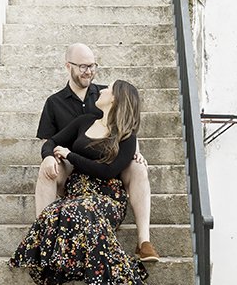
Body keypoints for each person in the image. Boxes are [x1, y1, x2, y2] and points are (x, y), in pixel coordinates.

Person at [11, 80, 152, 285]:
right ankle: (111, 276)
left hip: (107, 197)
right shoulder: (85, 122)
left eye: (108, 89)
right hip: (76, 194)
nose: (102, 90)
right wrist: (48, 156)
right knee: (61, 210)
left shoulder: (126, 137)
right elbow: (51, 142)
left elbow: (107, 171)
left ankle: (122, 275)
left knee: (85, 209)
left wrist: (70, 155)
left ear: (115, 99)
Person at [36, 43, 158, 262]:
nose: (89, 71)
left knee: (138, 167)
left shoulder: (107, 94)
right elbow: (50, 141)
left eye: (92, 66)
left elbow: (125, 126)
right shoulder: (54, 103)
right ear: (68, 66)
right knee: (47, 169)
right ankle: (42, 237)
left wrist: (135, 151)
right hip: (71, 165)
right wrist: (48, 157)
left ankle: (144, 241)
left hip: (107, 165)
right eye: (83, 66)